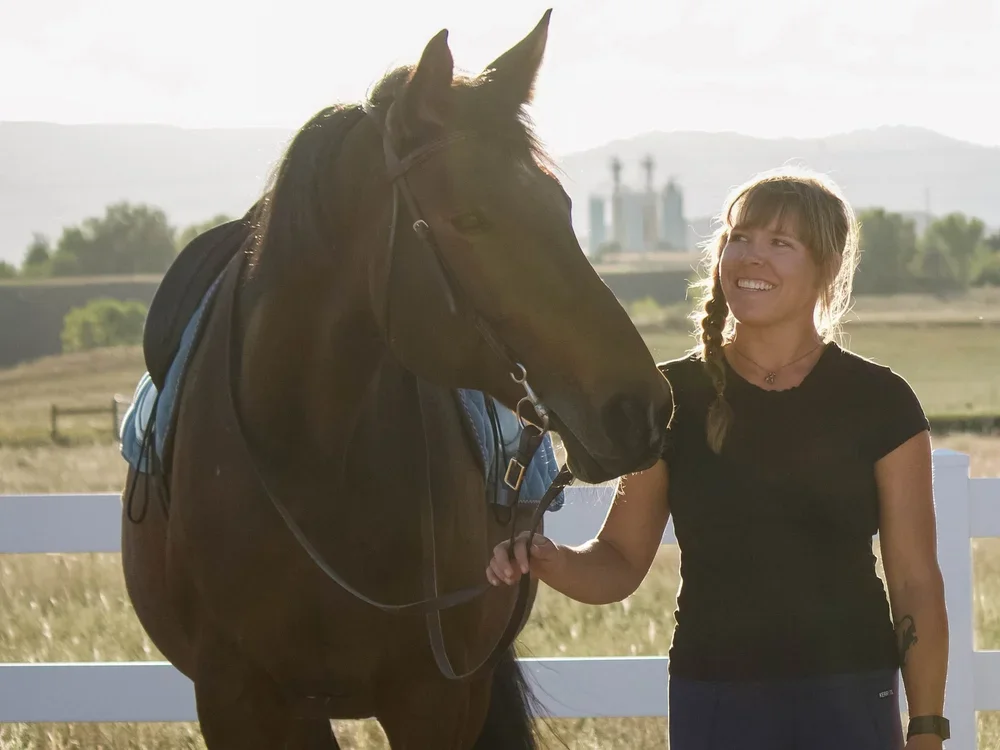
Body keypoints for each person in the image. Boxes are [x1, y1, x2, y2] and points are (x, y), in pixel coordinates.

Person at [487, 167, 950, 749]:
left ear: (826, 269)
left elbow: (914, 581)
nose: (752, 258)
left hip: (850, 694)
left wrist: (928, 727)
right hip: (716, 695)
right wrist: (549, 560)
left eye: (780, 244)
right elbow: (620, 558)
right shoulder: (670, 397)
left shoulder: (881, 400)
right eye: (739, 238)